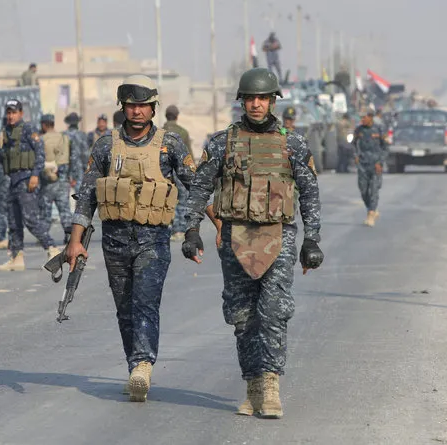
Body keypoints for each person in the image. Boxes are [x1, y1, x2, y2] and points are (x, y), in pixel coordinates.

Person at [181, 67, 324, 419]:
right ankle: (253, 384)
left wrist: (312, 239)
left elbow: (309, 193)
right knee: (242, 316)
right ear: (242, 101)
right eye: (250, 98)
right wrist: (190, 229)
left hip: (279, 234)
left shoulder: (293, 143)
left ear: (273, 100)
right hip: (235, 236)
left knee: (273, 311)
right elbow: (200, 188)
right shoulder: (221, 143)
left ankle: (271, 383)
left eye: (262, 98)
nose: (256, 104)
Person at [65, 75, 197, 403]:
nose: (137, 112)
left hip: (153, 238)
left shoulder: (171, 145)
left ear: (153, 108)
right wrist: (75, 241)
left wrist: (210, 226)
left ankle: (142, 365)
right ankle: (133, 365)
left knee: (145, 302)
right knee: (124, 307)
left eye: (143, 106)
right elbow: (87, 196)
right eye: (131, 105)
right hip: (115, 238)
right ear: (123, 107)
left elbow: (196, 188)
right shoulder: (106, 145)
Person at [0, 99, 60, 271]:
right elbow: (1, 159)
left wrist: (35, 175)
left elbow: (40, 153)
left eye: (14, 112)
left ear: (21, 113)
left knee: (30, 219)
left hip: (26, 178)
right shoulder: (6, 131)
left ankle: (52, 248)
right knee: (13, 221)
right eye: (8, 112)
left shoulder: (28, 129)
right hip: (12, 180)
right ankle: (16, 257)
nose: (11, 116)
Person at [39, 114, 72, 244]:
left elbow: (39, 160)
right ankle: (69, 234)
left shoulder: (41, 139)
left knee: (45, 209)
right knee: (64, 209)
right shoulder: (64, 137)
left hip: (48, 179)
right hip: (63, 179)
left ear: (44, 125)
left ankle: (44, 235)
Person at [353, 107, 388, 227]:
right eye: (361, 117)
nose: (362, 119)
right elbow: (353, 144)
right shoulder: (358, 130)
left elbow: (385, 147)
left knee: (373, 190)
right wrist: (355, 155)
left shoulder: (379, 129)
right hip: (362, 164)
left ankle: (371, 214)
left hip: (375, 164)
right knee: (363, 190)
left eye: (364, 117)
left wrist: (380, 162)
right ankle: (371, 208)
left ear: (370, 117)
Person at [163, 104, 192, 242]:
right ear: (177, 116)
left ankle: (166, 226)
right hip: (179, 170)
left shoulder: (159, 132)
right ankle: (179, 229)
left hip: (162, 171)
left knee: (163, 198)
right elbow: (188, 155)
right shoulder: (183, 132)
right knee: (181, 199)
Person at [63, 112, 88, 191]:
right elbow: (85, 154)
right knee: (79, 194)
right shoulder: (81, 135)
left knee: (65, 195)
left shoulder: (63, 135)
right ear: (77, 122)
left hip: (65, 167)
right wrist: (85, 167)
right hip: (78, 168)